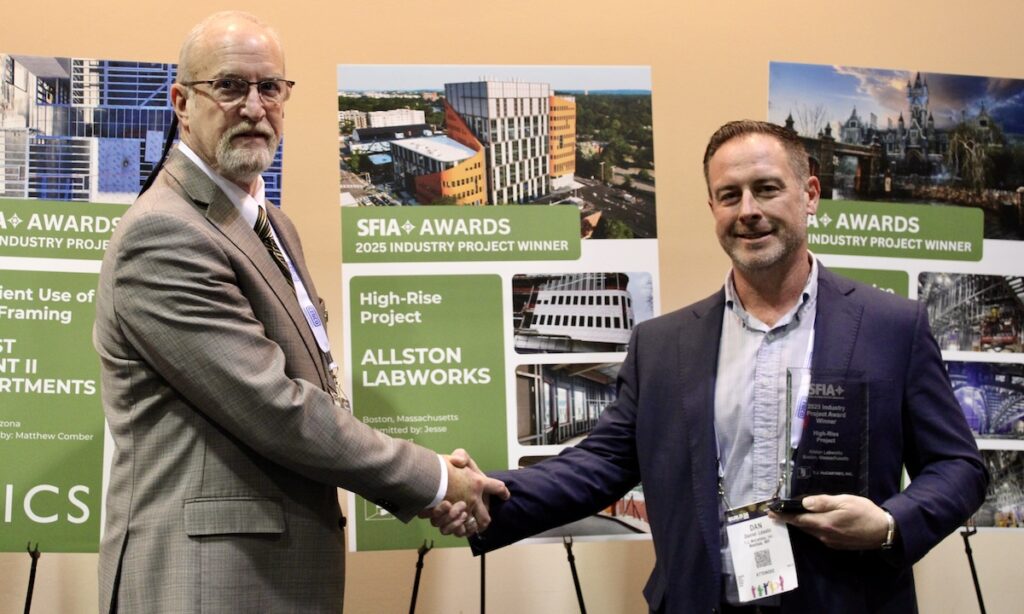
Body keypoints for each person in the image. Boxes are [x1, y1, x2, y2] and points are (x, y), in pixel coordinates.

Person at [430, 120, 988, 613]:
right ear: (713, 209)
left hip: (849, 600)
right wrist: (486, 491)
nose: (748, 211)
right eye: (729, 195)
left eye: (767, 189)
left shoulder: (892, 326)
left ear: (810, 194)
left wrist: (889, 526)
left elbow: (959, 466)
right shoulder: (662, 344)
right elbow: (598, 465)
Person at [93, 12, 505, 613]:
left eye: (271, 88)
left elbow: (314, 390)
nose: (255, 107)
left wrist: (433, 486)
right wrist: (436, 481)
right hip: (206, 583)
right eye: (230, 86)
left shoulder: (271, 223)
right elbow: (277, 409)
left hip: (269, 574)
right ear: (182, 102)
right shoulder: (165, 233)